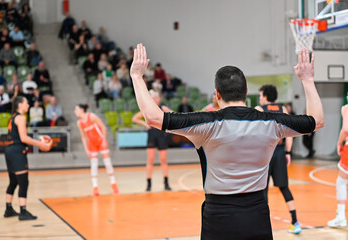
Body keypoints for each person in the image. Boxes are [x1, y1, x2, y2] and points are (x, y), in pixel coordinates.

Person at [130, 44, 324, 239]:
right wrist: (307, 80)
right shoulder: (271, 122)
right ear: (246, 91)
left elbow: (153, 117)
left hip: (219, 217)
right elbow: (317, 121)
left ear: (217, 94)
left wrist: (137, 77)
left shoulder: (206, 123)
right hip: (258, 215)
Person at [255, 84, 300, 234]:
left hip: (265, 154)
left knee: (263, 190)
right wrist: (288, 153)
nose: (260, 98)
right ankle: (295, 222)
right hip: (280, 152)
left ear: (266, 96)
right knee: (284, 187)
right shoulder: (283, 109)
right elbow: (289, 134)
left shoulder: (259, 110)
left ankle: (263, 227)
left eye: (261, 95)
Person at [4, 96, 50, 220]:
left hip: (9, 150)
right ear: (20, 105)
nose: (28, 105)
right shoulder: (21, 118)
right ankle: (23, 211)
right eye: (26, 103)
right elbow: (24, 138)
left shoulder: (12, 117)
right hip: (17, 151)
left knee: (13, 181)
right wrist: (40, 143)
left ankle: (8, 209)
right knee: (23, 181)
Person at [132, 90, 173, 192]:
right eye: (154, 97)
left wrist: (167, 125)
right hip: (152, 135)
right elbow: (135, 118)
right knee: (150, 160)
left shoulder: (162, 108)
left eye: (157, 97)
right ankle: (149, 183)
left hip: (161, 134)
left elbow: (173, 114)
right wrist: (145, 124)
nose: (156, 99)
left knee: (163, 160)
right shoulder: (147, 109)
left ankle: (166, 182)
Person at [75, 104, 119, 196]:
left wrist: (103, 140)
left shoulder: (92, 116)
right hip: (92, 144)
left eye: (76, 109)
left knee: (107, 163)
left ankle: (113, 183)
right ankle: (95, 187)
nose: (75, 111)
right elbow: (83, 137)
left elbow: (103, 127)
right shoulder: (79, 123)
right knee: (94, 164)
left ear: (82, 110)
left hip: (100, 141)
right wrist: (86, 149)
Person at [328, 96, 348, 228]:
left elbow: (346, 129)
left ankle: (341, 216)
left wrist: (339, 143)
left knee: (341, 182)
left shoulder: (346, 108)